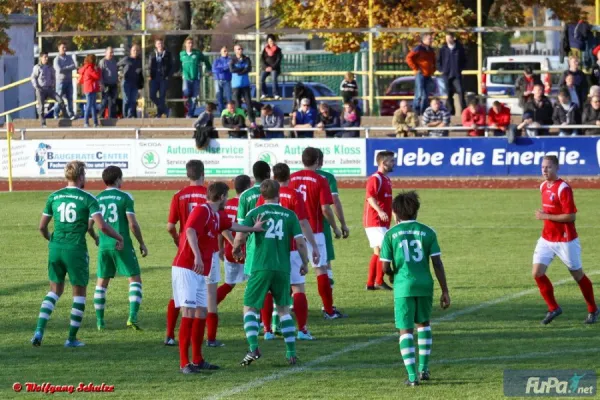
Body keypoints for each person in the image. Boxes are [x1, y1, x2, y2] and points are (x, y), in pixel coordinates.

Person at [171, 181, 265, 373]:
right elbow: (189, 230)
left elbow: (231, 226)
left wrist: (254, 229)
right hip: (186, 268)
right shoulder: (202, 210)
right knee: (188, 314)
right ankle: (184, 363)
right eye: (226, 195)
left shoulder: (216, 214)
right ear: (222, 196)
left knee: (201, 313)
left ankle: (197, 359)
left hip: (199, 270)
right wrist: (197, 255)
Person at [31, 161, 124, 348]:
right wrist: (119, 237)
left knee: (54, 291)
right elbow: (103, 226)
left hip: (56, 248)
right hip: (76, 250)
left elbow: (42, 227)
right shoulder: (88, 198)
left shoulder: (54, 197)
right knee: (79, 294)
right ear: (81, 177)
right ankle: (71, 338)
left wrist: (52, 240)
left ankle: (39, 330)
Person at [233, 179, 310, 366]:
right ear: (279, 193)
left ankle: (253, 347)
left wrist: (236, 249)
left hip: (260, 266)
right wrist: (305, 262)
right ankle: (291, 353)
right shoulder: (289, 215)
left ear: (261, 195)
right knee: (284, 309)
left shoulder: (255, 213)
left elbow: (240, 236)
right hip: (282, 268)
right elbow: (300, 242)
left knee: (249, 307)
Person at [380, 191, 450, 386]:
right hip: (425, 284)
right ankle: (424, 369)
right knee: (424, 324)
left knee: (405, 330)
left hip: (404, 286)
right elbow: (437, 263)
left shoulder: (390, 234)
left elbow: (384, 267)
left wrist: (392, 274)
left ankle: (412, 376)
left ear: (395, 213)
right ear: (416, 212)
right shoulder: (428, 232)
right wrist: (445, 290)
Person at [532, 155, 598, 325]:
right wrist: (546, 217)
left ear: (556, 168)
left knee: (577, 275)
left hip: (565, 240)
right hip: (546, 238)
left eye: (548, 167)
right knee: (537, 273)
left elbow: (571, 216)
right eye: (543, 167)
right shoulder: (543, 187)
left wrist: (545, 216)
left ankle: (593, 309)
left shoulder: (564, 188)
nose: (545, 171)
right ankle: (553, 307)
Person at [256, 163, 320, 340]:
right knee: (298, 287)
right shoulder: (294, 195)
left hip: (269, 250)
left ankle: (268, 330)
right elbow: (302, 222)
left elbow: (256, 220)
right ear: (289, 176)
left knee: (268, 289)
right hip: (290, 248)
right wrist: (313, 246)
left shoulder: (263, 196)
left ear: (273, 177)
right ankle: (302, 330)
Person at [87, 166, 148, 331]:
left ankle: (100, 322)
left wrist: (96, 238)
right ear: (118, 179)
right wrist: (141, 243)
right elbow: (132, 224)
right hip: (122, 243)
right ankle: (132, 317)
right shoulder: (125, 197)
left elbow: (89, 225)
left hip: (105, 245)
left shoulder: (97, 198)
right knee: (134, 280)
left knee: (102, 282)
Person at [290, 147, 345, 320]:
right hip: (315, 230)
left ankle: (290, 306)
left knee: (294, 272)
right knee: (320, 269)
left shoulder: (291, 179)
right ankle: (328, 310)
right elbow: (325, 208)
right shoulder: (320, 179)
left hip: (294, 232)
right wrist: (335, 227)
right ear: (318, 161)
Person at [164, 160, 207, 346]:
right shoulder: (208, 195)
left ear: (188, 174)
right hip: (204, 250)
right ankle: (202, 340)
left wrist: (176, 238)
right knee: (201, 301)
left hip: (184, 248)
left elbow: (170, 226)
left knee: (179, 295)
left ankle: (169, 334)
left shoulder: (179, 195)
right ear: (203, 173)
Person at [315, 149, 349, 311]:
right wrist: (340, 225)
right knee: (324, 266)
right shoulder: (326, 177)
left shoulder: (294, 177)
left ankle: (291, 302)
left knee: (294, 267)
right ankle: (328, 307)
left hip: (297, 228)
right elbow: (332, 201)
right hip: (319, 227)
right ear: (320, 161)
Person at [215, 175, 252, 306]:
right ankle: (257, 317)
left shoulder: (227, 204)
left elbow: (221, 228)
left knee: (229, 284)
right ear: (248, 187)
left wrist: (221, 247)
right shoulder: (248, 204)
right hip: (246, 251)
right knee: (255, 284)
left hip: (229, 251)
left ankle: (210, 307)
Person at [364, 151, 394, 291]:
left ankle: (371, 283)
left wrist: (395, 215)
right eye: (391, 161)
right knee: (384, 250)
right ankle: (379, 280)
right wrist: (380, 211)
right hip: (374, 220)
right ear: (383, 163)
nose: (393, 163)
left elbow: (388, 201)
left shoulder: (386, 179)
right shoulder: (375, 178)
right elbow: (370, 197)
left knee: (378, 251)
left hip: (382, 222)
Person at [31, 52, 75, 127]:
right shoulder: (37, 67)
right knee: (41, 106)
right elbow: (33, 77)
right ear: (41, 58)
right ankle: (43, 123)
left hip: (49, 89)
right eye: (45, 57)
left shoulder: (50, 67)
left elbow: (53, 77)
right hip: (41, 89)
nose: (46, 58)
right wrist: (36, 86)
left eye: (47, 57)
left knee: (60, 100)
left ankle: (66, 116)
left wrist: (52, 84)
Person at [180, 37, 212, 119]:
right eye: (188, 43)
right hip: (186, 78)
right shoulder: (182, 54)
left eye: (191, 43)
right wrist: (179, 71)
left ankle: (190, 114)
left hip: (196, 78)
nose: (190, 45)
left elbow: (205, 59)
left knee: (194, 98)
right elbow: (178, 63)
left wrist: (209, 69)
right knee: (186, 93)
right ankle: (186, 107)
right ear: (185, 44)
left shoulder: (197, 53)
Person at [406, 32, 436, 116]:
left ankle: (424, 113)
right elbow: (408, 58)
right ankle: (416, 112)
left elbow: (433, 60)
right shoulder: (418, 48)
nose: (431, 40)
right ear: (424, 39)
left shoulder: (430, 49)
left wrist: (433, 69)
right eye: (429, 39)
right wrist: (415, 68)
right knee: (419, 94)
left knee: (425, 96)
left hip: (428, 75)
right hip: (420, 74)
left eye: (431, 39)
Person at [437, 33, 467, 115]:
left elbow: (464, 60)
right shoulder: (443, 49)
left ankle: (464, 110)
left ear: (453, 38)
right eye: (446, 38)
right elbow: (439, 61)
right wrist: (441, 70)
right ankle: (451, 111)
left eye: (449, 38)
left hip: (456, 74)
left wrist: (460, 69)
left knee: (460, 91)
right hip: (446, 75)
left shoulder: (459, 48)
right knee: (448, 93)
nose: (447, 40)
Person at [230, 44, 256, 126]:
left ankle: (252, 121)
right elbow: (232, 69)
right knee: (237, 104)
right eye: (238, 49)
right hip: (236, 86)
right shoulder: (232, 60)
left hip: (245, 85)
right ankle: (240, 122)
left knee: (249, 103)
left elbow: (248, 69)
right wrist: (242, 69)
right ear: (235, 50)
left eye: (241, 48)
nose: (240, 50)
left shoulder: (246, 59)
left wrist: (239, 71)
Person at [149, 38, 173, 118]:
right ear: (156, 45)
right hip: (154, 78)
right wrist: (150, 75)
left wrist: (168, 76)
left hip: (163, 78)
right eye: (158, 44)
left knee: (162, 96)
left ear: (163, 44)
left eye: (161, 43)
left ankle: (159, 114)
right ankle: (166, 110)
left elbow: (171, 66)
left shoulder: (167, 54)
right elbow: (150, 65)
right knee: (152, 95)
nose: (160, 45)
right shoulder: (152, 54)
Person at [118, 44, 143, 118]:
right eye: (134, 50)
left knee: (133, 101)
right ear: (131, 51)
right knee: (126, 100)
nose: (135, 52)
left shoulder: (140, 61)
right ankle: (125, 116)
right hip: (126, 83)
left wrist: (140, 85)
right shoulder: (127, 59)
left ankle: (130, 116)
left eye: (137, 50)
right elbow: (117, 65)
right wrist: (119, 74)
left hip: (135, 84)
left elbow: (142, 72)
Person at [53, 42, 77, 119]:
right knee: (59, 98)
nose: (64, 49)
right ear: (59, 48)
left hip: (69, 81)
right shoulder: (56, 59)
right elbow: (59, 69)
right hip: (60, 81)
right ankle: (56, 113)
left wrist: (65, 68)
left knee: (70, 98)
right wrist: (68, 68)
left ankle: (71, 114)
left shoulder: (69, 57)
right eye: (63, 47)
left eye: (65, 47)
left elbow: (74, 66)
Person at [78, 54, 101, 128]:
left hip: (89, 89)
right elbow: (97, 76)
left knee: (92, 105)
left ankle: (95, 122)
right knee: (90, 105)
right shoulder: (90, 68)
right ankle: (86, 122)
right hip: (90, 89)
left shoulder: (86, 67)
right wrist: (98, 70)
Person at [260, 34, 283, 100]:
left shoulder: (278, 50)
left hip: (274, 68)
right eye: (269, 41)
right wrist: (266, 67)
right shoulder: (265, 49)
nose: (271, 42)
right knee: (261, 79)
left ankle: (276, 94)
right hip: (266, 68)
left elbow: (278, 60)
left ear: (274, 41)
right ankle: (264, 93)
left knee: (273, 79)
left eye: (272, 41)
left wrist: (272, 67)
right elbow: (262, 59)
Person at [98, 47, 119, 119]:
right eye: (110, 52)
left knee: (113, 101)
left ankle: (111, 116)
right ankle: (100, 115)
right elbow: (100, 74)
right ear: (106, 53)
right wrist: (101, 84)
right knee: (105, 101)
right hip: (106, 84)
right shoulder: (102, 61)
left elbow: (115, 71)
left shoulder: (114, 61)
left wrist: (117, 79)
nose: (112, 54)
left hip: (113, 84)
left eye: (112, 52)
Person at [212, 46, 232, 114]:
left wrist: (220, 69)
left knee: (228, 97)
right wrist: (224, 68)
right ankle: (222, 113)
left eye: (227, 51)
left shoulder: (230, 60)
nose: (226, 52)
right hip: (217, 80)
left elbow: (230, 67)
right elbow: (214, 69)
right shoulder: (217, 60)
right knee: (219, 98)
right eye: (224, 51)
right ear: (220, 52)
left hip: (227, 80)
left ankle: (229, 112)